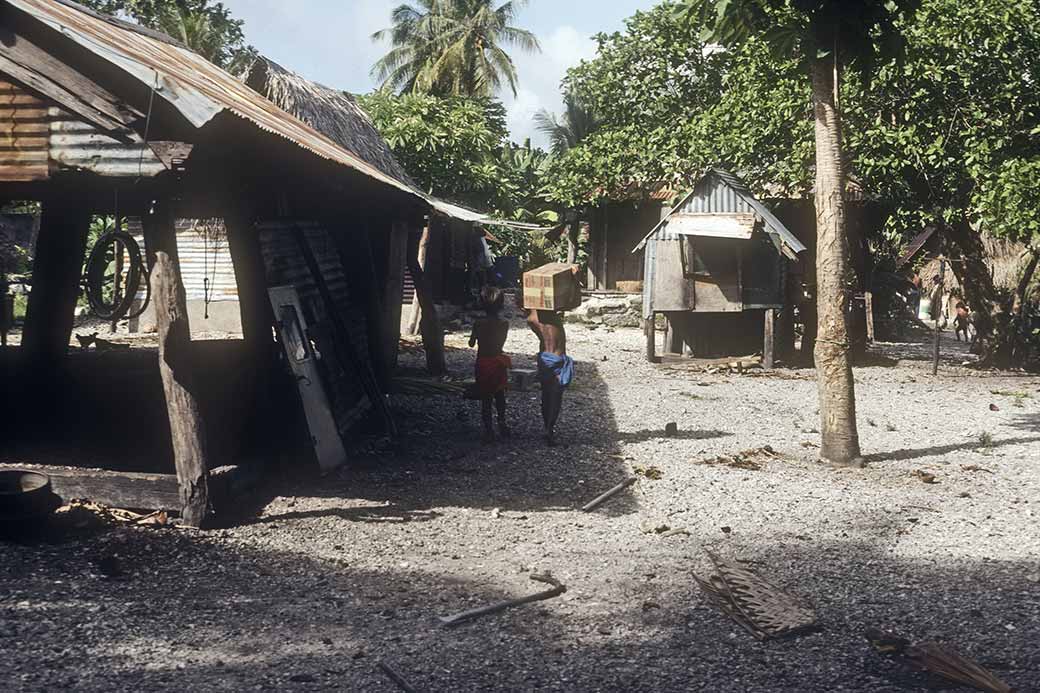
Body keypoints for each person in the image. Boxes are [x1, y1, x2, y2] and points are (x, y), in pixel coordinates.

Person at [526, 308, 573, 446]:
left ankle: (547, 425)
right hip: (557, 359)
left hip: (545, 360)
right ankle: (549, 428)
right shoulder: (556, 320)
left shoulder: (535, 322)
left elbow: (531, 315)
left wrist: (532, 305)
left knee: (546, 394)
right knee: (556, 397)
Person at [469, 286, 511, 442]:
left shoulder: (479, 324)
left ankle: (488, 430)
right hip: (498, 362)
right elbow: (501, 342)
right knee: (499, 395)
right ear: (501, 305)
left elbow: (471, 343)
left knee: (486, 398)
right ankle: (502, 422)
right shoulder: (504, 324)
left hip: (483, 362)